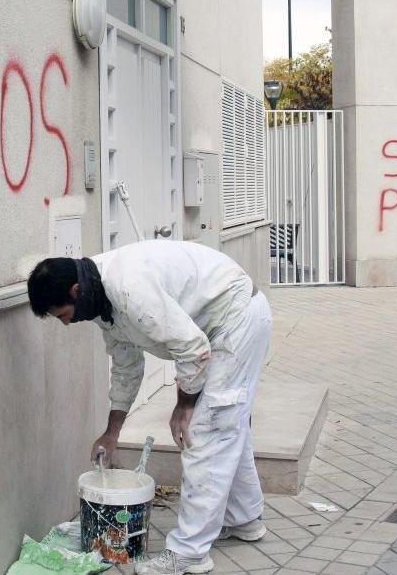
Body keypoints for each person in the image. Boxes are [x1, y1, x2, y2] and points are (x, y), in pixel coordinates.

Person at [27, 240, 272, 575]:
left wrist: (183, 407)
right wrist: (111, 433)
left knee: (206, 430)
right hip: (217, 325)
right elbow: (127, 367)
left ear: (74, 292)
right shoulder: (98, 298)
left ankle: (188, 552)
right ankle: (244, 519)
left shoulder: (128, 288)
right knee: (227, 426)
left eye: (63, 315)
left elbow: (193, 348)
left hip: (234, 321)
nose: (67, 324)